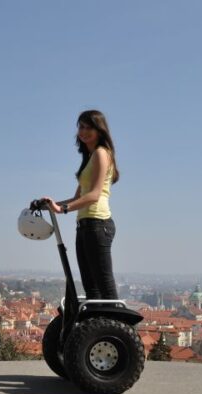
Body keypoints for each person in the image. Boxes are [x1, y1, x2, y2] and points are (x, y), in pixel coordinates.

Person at [42, 109, 120, 300]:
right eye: (81, 127)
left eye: (88, 127)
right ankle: (98, 320)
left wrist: (63, 209)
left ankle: (115, 320)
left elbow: (94, 195)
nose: (83, 132)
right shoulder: (89, 158)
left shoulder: (101, 153)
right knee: (91, 288)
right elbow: (78, 197)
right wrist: (50, 205)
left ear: (99, 130)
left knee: (105, 287)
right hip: (85, 225)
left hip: (98, 224)